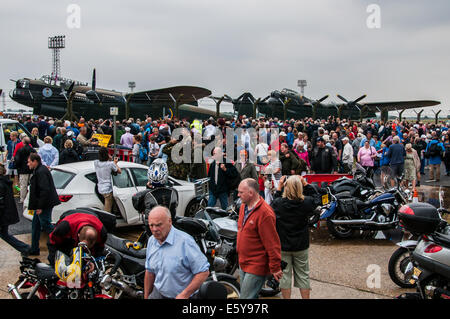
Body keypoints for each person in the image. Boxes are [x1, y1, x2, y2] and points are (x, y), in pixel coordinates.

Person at [144, 206, 210, 299]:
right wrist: (146, 296)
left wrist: (184, 294)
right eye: (151, 225)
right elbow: (150, 271)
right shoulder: (151, 241)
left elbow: (203, 272)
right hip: (158, 294)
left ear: (169, 222)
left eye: (158, 225)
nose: (154, 229)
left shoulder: (185, 242)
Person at [236, 178, 282, 299]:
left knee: (246, 298)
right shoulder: (243, 206)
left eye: (241, 192)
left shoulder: (265, 213)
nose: (238, 195)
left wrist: (275, 267)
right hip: (243, 261)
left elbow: (272, 243)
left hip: (256, 264)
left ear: (251, 193)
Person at [271, 175, 316, 299]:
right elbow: (316, 198)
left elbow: (273, 203)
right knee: (303, 275)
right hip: (301, 245)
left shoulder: (279, 204)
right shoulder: (306, 203)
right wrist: (305, 184)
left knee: (284, 276)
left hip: (284, 245)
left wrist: (279, 187)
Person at [27, 153, 60, 256]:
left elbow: (44, 190)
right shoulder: (39, 170)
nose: (28, 164)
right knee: (35, 225)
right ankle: (34, 249)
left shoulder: (41, 171)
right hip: (41, 204)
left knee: (46, 224)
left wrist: (40, 206)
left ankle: (60, 242)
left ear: (35, 161)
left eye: (29, 162)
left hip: (44, 204)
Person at [0, 163, 31, 256]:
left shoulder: (1, 184)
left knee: (4, 234)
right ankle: (24, 247)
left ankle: (25, 247)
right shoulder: (5, 182)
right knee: (4, 234)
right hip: (6, 213)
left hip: (3, 215)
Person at [94, 147, 122, 213]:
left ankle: (115, 211)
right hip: (107, 189)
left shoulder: (96, 163)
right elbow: (119, 171)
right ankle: (107, 220)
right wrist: (115, 162)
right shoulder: (110, 164)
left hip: (100, 187)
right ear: (107, 154)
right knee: (107, 210)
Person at [14, 137, 36, 203]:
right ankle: (31, 198)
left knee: (23, 185)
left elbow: (17, 160)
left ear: (23, 142)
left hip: (23, 170)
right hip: (32, 169)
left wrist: (18, 167)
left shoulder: (20, 150)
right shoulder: (33, 150)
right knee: (32, 185)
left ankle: (22, 199)